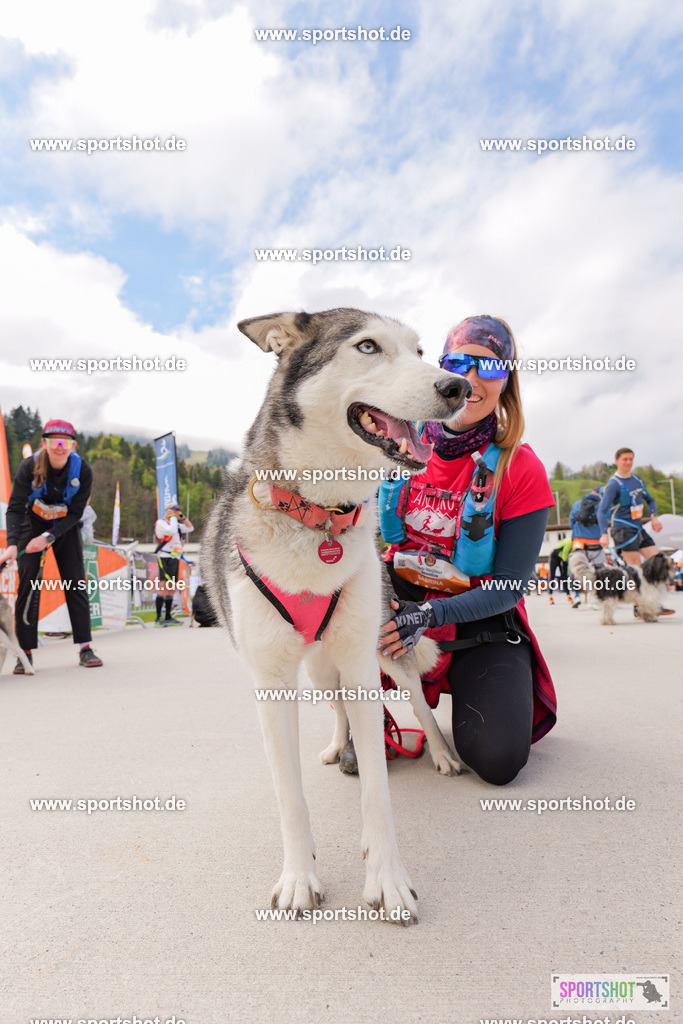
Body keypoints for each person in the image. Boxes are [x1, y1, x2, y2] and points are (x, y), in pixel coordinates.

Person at [361, 315, 557, 786]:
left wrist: (427, 618)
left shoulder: (521, 467)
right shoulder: (397, 445)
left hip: (477, 615)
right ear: (441, 368)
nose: (471, 380)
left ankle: (473, 691)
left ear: (506, 380)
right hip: (400, 599)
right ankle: (365, 716)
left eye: (489, 368)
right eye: (458, 362)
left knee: (498, 760)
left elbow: (509, 588)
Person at [0, 419, 103, 672]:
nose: (59, 447)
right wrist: (12, 545)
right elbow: (14, 508)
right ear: (44, 443)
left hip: (64, 526)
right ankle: (24, 653)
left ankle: (85, 647)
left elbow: (76, 513)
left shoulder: (83, 471)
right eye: (54, 441)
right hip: (31, 523)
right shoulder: (29, 466)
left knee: (75, 582)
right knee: (28, 584)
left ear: (73, 445)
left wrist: (49, 537)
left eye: (65, 442)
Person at [597, 447, 673, 616]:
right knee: (635, 569)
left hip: (639, 528)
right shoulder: (613, 484)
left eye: (631, 459)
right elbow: (601, 511)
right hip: (623, 530)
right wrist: (603, 533)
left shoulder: (637, 480)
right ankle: (640, 607)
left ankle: (654, 603)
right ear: (617, 461)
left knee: (657, 562)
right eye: (625, 459)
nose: (628, 462)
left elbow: (650, 500)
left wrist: (654, 516)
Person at [153, 504, 193, 625]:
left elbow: (190, 528)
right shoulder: (161, 523)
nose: (177, 513)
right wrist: (173, 518)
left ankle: (168, 617)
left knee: (171, 588)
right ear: (169, 511)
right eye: (175, 511)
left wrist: (183, 517)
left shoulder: (176, 524)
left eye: (178, 511)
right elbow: (171, 530)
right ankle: (158, 618)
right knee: (163, 586)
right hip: (164, 557)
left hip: (174, 557)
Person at [568, 486, 605, 608]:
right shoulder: (601, 504)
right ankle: (596, 598)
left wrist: (577, 534)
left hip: (579, 541)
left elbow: (571, 522)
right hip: (596, 541)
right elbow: (604, 521)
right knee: (599, 570)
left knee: (577, 569)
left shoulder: (577, 504)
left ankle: (577, 596)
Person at [547, 534, 573, 605]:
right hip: (555, 556)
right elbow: (565, 553)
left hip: (562, 558)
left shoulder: (575, 544)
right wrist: (567, 563)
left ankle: (569, 596)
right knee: (552, 576)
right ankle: (550, 597)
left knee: (564, 577)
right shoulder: (569, 541)